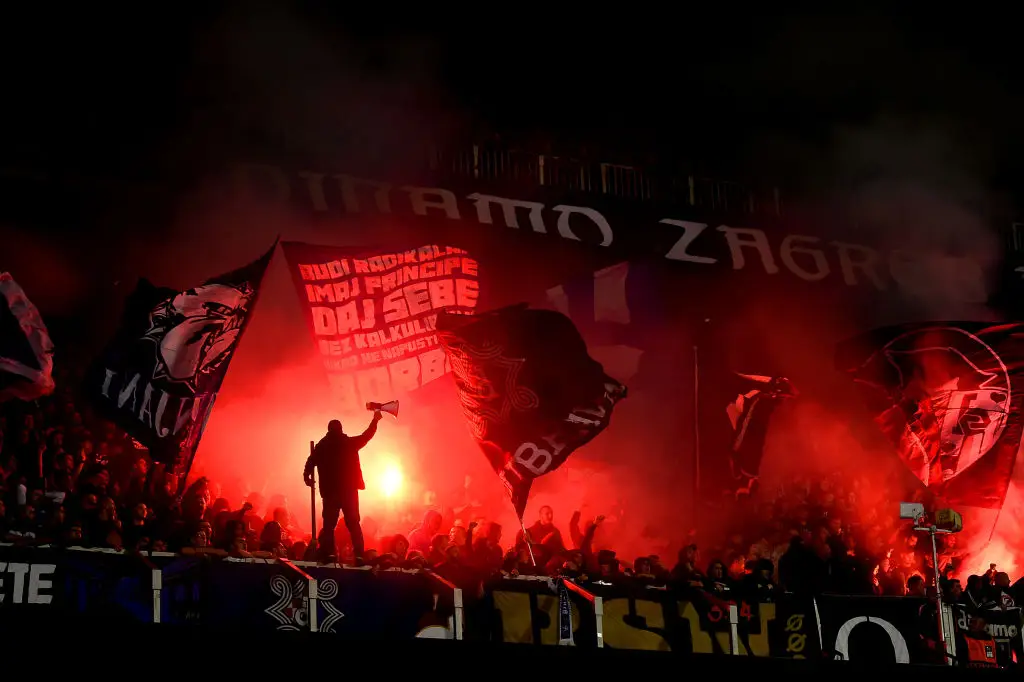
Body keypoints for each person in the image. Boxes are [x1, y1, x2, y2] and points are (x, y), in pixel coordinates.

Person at [304, 412, 382, 563]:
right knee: (353, 523)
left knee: (329, 525)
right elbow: (366, 436)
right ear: (340, 429)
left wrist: (306, 476)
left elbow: (310, 462)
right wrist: (375, 420)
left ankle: (329, 553)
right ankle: (359, 555)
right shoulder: (348, 443)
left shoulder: (321, 446)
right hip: (348, 491)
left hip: (330, 492)